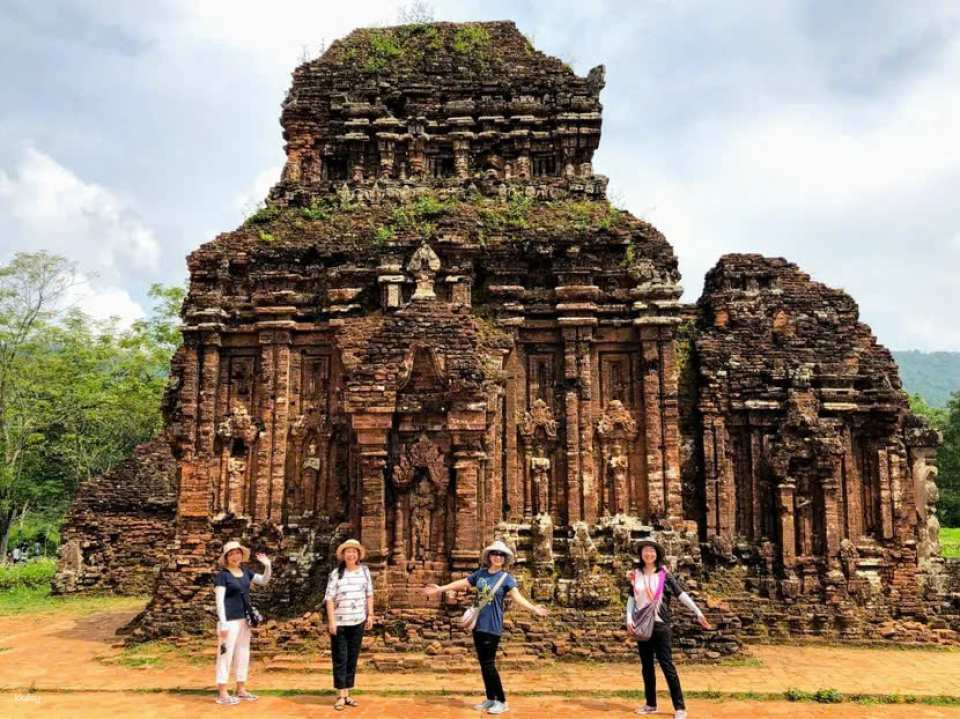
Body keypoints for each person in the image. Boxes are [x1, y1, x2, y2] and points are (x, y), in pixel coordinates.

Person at [424, 539, 548, 715]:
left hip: (492, 626)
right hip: (479, 625)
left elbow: (517, 597)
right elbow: (462, 583)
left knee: (489, 665)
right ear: (489, 556)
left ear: (505, 559)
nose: (498, 557)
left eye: (501, 555)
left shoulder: (506, 579)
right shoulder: (480, 574)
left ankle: (502, 701)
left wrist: (533, 608)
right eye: (494, 554)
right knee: (483, 664)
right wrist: (440, 589)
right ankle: (490, 699)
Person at [627, 539, 711, 719]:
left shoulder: (664, 574)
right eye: (645, 550)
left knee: (667, 665)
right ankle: (651, 704)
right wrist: (628, 619)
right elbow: (631, 598)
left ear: (657, 555)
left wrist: (698, 612)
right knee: (646, 667)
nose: (649, 554)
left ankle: (680, 707)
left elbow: (681, 594)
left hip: (661, 625)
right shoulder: (636, 574)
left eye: (652, 551)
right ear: (641, 554)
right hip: (642, 625)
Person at [213, 540, 272, 705]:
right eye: (231, 554)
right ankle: (222, 692)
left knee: (243, 654)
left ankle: (241, 689)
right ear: (226, 557)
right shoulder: (222, 576)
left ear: (242, 555)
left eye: (237, 553)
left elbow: (264, 580)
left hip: (244, 620)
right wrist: (223, 623)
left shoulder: (245, 572)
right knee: (225, 655)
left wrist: (267, 565)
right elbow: (219, 601)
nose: (235, 556)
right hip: (229, 621)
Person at [324, 539, 374, 711]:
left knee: (352, 658)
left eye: (354, 551)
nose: (351, 554)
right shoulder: (336, 574)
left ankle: (348, 694)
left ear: (358, 555)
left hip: (358, 620)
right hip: (340, 622)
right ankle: (340, 695)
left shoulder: (364, 571)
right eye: (348, 552)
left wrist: (370, 614)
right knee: (340, 658)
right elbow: (329, 599)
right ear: (343, 555)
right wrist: (331, 621)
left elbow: (369, 594)